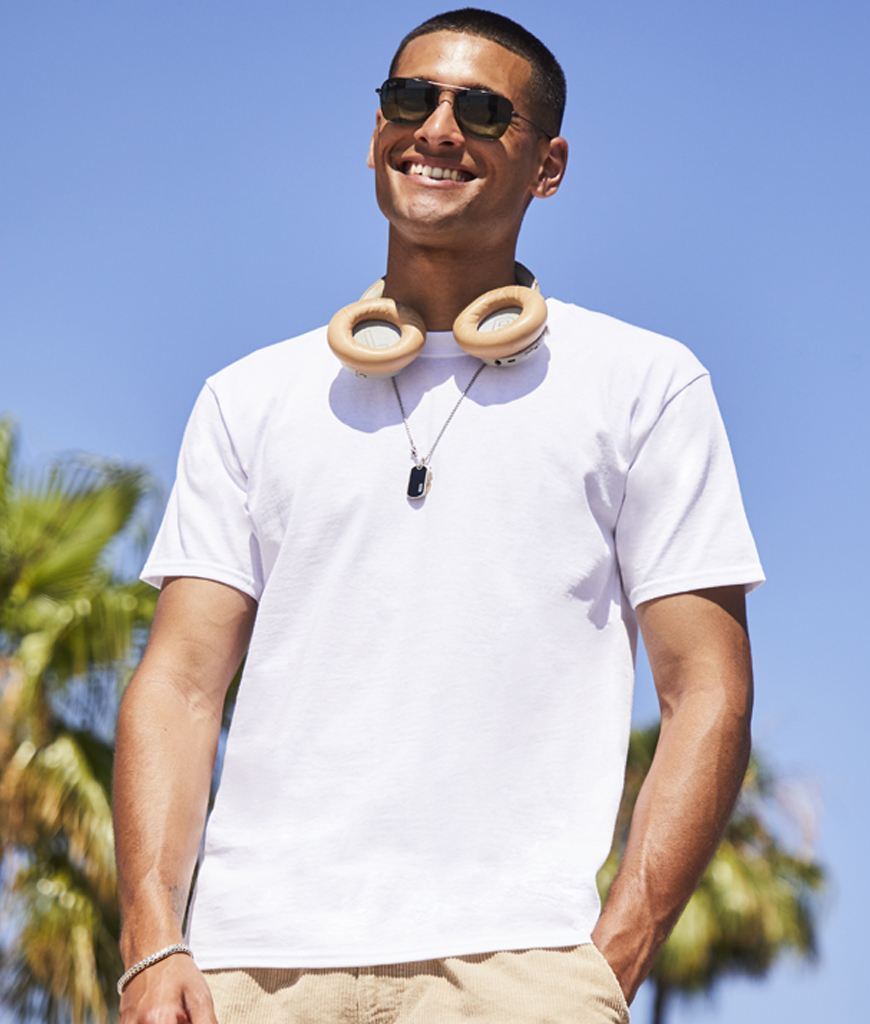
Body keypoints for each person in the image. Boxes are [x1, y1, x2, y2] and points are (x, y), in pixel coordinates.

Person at [113, 9, 764, 1024]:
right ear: (376, 130)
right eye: (410, 99)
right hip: (252, 973)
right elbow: (181, 684)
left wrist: (606, 965)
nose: (439, 129)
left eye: (483, 111)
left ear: (547, 166)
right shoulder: (248, 397)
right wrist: (153, 941)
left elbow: (707, 687)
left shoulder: (644, 384)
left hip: (518, 970)